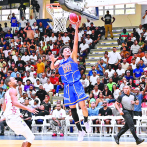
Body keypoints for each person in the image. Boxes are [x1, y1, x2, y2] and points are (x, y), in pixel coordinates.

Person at [50, 21, 91, 142]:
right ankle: (80, 130)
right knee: (72, 109)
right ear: (62, 53)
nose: (68, 50)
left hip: (77, 84)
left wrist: (76, 28)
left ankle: (87, 122)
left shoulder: (73, 57)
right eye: (66, 50)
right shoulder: (60, 62)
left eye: (69, 49)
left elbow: (75, 43)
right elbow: (52, 68)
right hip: (67, 87)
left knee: (82, 106)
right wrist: (52, 61)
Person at [3, 77, 38, 147]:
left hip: (11, 118)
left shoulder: (7, 93)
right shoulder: (13, 90)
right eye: (14, 80)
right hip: (13, 118)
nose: (16, 80)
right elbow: (15, 103)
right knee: (30, 137)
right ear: (10, 83)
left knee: (28, 137)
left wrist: (17, 113)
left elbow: (4, 107)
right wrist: (28, 109)